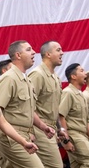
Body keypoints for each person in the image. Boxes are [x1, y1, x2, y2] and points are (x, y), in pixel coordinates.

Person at [0, 40, 55, 168]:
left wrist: (43, 127)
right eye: (28, 50)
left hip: (24, 135)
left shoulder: (25, 79)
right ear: (18, 55)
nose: (34, 52)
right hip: (11, 137)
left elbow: (28, 111)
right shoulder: (9, 78)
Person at [28, 40, 65, 168]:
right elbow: (27, 106)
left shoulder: (55, 77)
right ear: (48, 54)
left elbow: (54, 107)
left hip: (50, 129)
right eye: (58, 50)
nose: (62, 53)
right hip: (40, 128)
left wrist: (60, 128)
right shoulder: (37, 75)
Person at [59, 63, 89, 167]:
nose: (85, 75)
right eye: (82, 71)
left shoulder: (81, 95)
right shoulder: (68, 92)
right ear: (73, 76)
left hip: (82, 135)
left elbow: (84, 122)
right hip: (74, 135)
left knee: (77, 165)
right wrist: (66, 140)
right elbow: (60, 116)